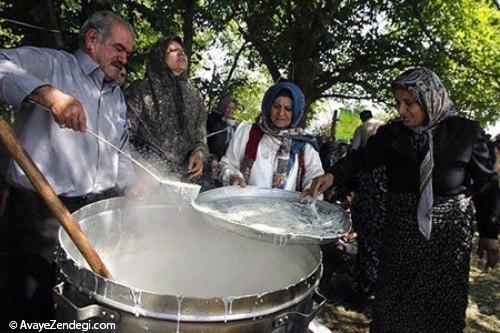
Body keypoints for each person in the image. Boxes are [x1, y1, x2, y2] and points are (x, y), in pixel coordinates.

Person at [305, 67, 499, 332]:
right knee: (394, 308)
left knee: (440, 309)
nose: (402, 110)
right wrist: (333, 175)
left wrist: (489, 233)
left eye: (409, 102)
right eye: (398, 103)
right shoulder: (392, 134)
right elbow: (362, 158)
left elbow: (486, 183)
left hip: (448, 238)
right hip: (401, 235)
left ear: (429, 97)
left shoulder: (466, 133)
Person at [0, 10, 138, 325]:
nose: (124, 58)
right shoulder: (53, 65)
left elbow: (121, 146)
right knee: (32, 302)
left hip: (93, 211)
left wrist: (131, 184)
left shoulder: (116, 94)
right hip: (39, 212)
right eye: (118, 48)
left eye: (128, 53)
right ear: (92, 40)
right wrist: (47, 94)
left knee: (76, 301)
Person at [126, 36, 207, 185]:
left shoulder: (195, 96)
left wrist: (199, 153)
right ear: (159, 57)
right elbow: (124, 138)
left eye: (183, 51)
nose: (181, 54)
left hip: (186, 181)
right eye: (172, 50)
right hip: (147, 180)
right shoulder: (140, 90)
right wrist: (147, 171)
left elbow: (200, 137)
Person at [219, 81, 324, 191]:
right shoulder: (248, 131)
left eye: (288, 109)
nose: (281, 113)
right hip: (245, 205)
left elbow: (314, 177)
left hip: (286, 207)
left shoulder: (304, 144)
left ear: (295, 112)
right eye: (276, 106)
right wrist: (232, 177)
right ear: (268, 107)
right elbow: (228, 164)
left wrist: (310, 189)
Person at [207, 95, 238, 183]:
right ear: (223, 106)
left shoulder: (232, 123)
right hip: (210, 156)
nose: (231, 111)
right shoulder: (212, 119)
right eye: (228, 108)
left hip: (223, 159)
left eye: (233, 108)